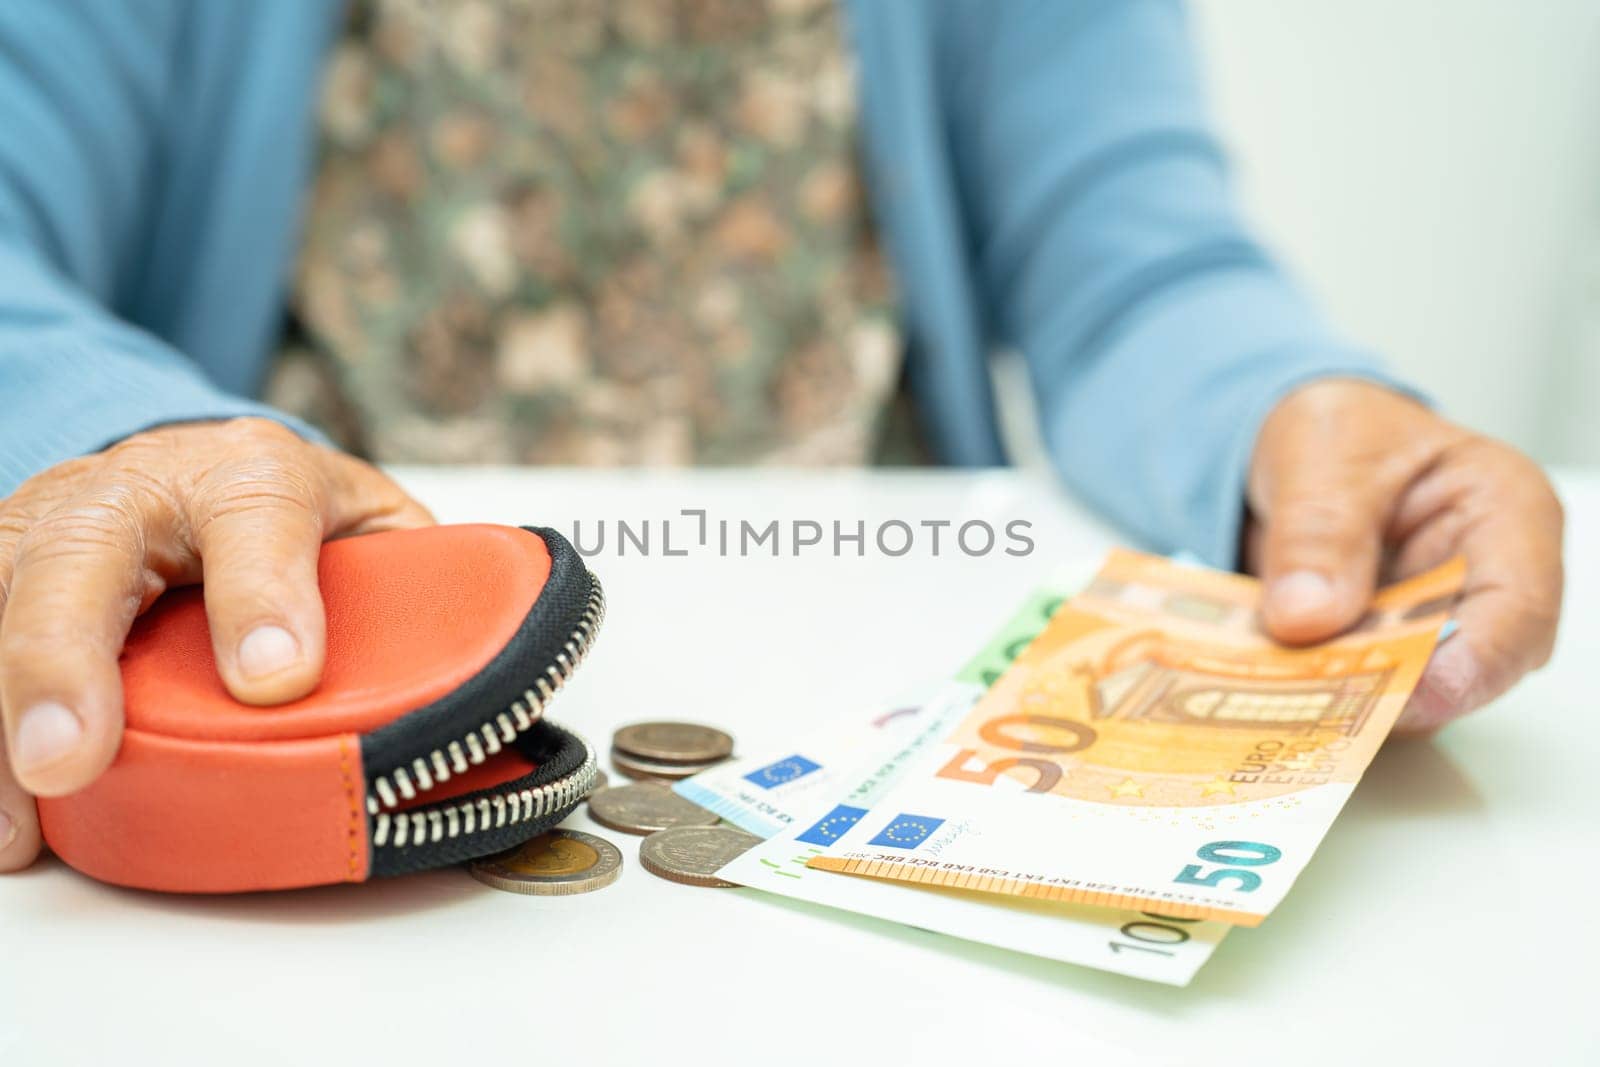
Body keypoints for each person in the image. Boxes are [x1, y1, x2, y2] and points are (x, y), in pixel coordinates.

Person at [0, 0, 1563, 873]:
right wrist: (110, 437)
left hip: (874, 651)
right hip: (318, 670)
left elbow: (1134, 257)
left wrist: (1291, 407)